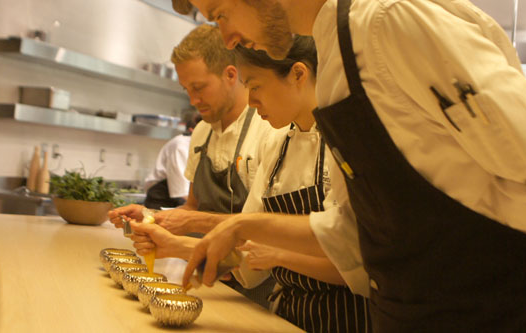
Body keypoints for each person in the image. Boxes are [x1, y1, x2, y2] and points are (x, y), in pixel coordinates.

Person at [173, 0, 526, 331]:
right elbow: (356, 228)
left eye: (220, 13)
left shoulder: (385, 22)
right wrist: (241, 226)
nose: (228, 38)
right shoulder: (335, 59)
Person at [130, 35, 371, 332]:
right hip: (285, 316)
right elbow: (250, 257)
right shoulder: (277, 142)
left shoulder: (346, 142)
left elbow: (358, 266)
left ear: (298, 74)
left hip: (348, 320)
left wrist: (279, 255)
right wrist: (174, 246)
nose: (252, 102)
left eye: (255, 87)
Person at [108, 24, 276, 307]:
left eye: (199, 88)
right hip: (210, 283)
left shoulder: (268, 128)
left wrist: (193, 221)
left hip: (255, 290)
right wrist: (151, 217)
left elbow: (269, 228)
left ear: (231, 75)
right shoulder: (202, 131)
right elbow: (192, 207)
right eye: (187, 89)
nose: (193, 100)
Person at [142, 111, 201, 210]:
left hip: (179, 201)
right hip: (161, 199)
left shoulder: (202, 146)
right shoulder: (181, 146)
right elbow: (182, 192)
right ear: (192, 130)